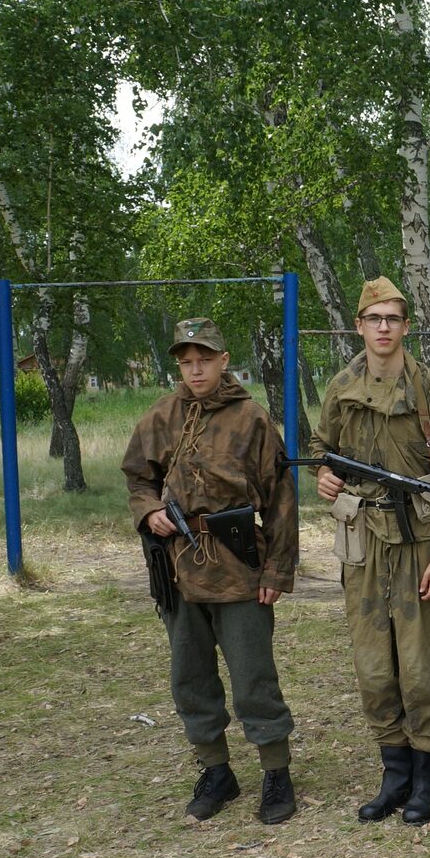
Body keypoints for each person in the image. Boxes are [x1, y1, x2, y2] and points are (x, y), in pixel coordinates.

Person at [122, 317, 300, 825]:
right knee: (190, 677)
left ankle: (275, 771)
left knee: (253, 678)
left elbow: (282, 502)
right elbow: (139, 478)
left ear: (224, 361)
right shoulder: (162, 416)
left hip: (239, 566)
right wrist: (149, 510)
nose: (196, 369)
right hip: (178, 566)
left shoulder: (252, 420)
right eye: (187, 361)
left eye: (205, 359)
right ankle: (216, 769)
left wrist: (275, 572)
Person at [311, 277, 430, 825]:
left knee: (423, 666)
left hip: (419, 540)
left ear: (405, 327)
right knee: (373, 666)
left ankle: (427, 773)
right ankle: (393, 773)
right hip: (361, 544)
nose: (383, 328)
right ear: (359, 325)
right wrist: (325, 476)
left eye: (392, 319)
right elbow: (320, 447)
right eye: (374, 319)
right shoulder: (340, 386)